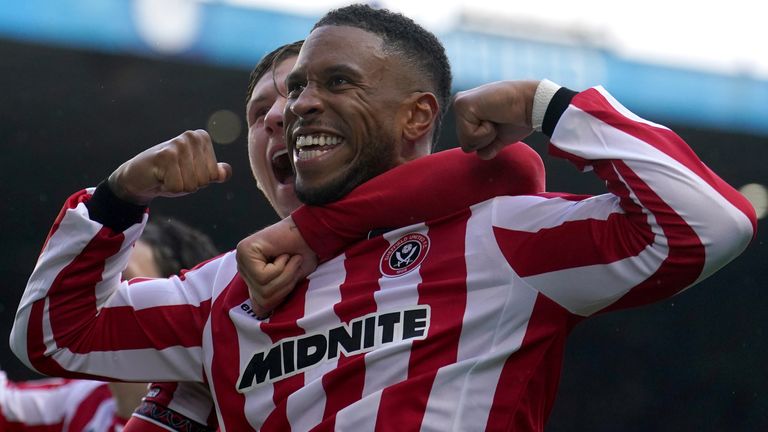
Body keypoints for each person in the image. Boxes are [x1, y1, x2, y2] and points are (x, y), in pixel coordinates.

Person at [10, 4, 754, 430]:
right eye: (282, 97)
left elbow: (708, 223)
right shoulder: (221, 295)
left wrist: (547, 104)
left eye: (330, 83)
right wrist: (117, 197)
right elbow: (52, 336)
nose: (294, 109)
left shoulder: (498, 240)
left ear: (417, 115)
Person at [1, 219, 219, 431]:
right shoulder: (83, 400)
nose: (95, 295)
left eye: (122, 282)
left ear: (173, 309)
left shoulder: (230, 419)